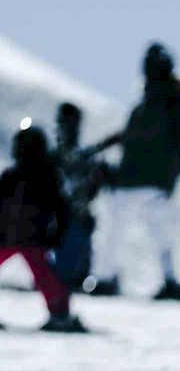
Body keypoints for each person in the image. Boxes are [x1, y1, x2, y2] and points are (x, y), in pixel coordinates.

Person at [89, 42, 180, 300]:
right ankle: (170, 282)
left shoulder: (152, 106)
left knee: (115, 230)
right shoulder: (172, 102)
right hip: (157, 180)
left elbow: (130, 138)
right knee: (160, 233)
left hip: (132, 179)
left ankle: (104, 279)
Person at [0, 125, 86, 332]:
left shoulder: (45, 175)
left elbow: (60, 209)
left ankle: (60, 314)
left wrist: (56, 235)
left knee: (46, 276)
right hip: (20, 237)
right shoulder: (14, 175)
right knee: (46, 276)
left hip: (28, 238)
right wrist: (56, 235)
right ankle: (60, 313)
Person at [52, 102, 115, 290]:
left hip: (76, 216)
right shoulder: (60, 154)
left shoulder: (75, 155)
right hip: (62, 217)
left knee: (76, 250)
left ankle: (73, 277)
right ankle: (65, 278)